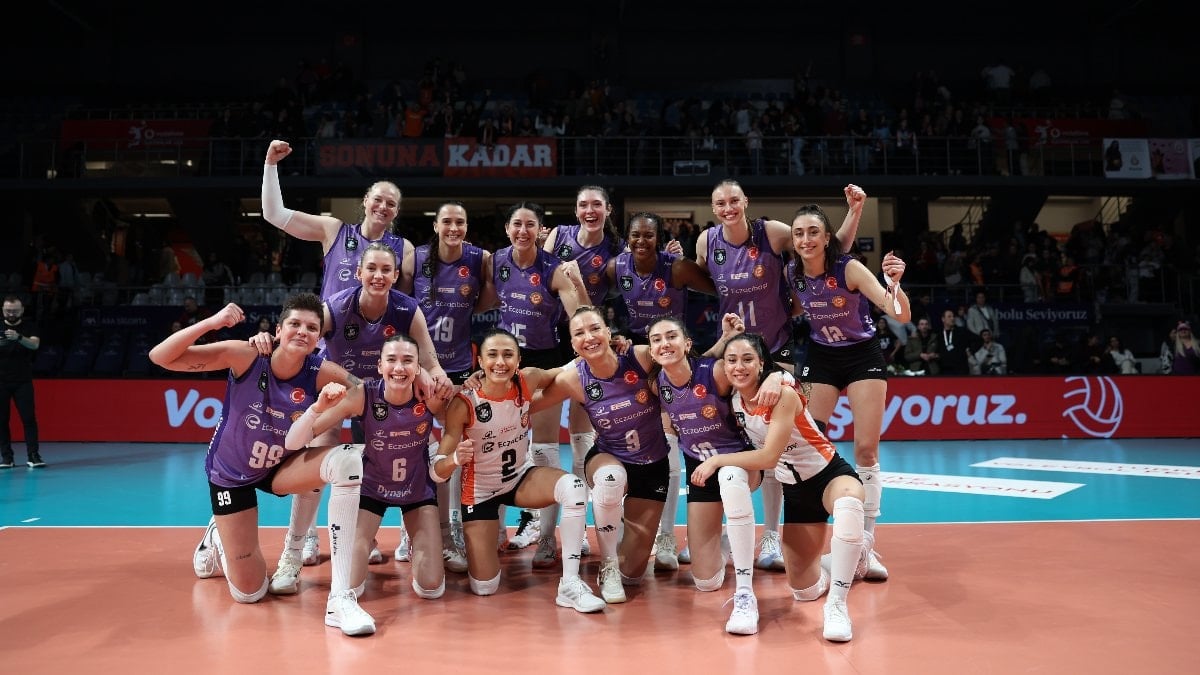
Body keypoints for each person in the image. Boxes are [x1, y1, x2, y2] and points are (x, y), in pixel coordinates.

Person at [148, 295, 375, 636]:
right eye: (295, 324)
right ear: (279, 330)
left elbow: (369, 394)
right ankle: (218, 535)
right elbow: (160, 356)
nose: (303, 331)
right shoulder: (246, 355)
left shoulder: (321, 372)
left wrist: (411, 375)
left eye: (311, 327)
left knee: (346, 460)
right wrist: (213, 323)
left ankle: (335, 594)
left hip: (281, 467)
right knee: (250, 593)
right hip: (231, 475)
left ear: (318, 338)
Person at [261, 138, 416, 568]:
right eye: (378, 199)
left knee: (374, 457)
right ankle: (304, 539)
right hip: (330, 365)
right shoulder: (334, 231)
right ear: (365, 202)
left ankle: (363, 537)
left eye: (391, 203)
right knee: (320, 451)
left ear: (396, 212)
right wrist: (271, 165)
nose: (383, 207)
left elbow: (402, 310)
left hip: (377, 373)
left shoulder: (402, 251)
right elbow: (275, 214)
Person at [698, 180, 865, 573]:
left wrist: (855, 212)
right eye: (720, 203)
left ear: (746, 201)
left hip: (775, 349)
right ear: (713, 207)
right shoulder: (707, 243)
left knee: (777, 442)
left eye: (734, 200)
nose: (728, 208)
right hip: (736, 352)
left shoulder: (771, 232)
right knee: (734, 437)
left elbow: (824, 249)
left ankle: (772, 534)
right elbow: (710, 284)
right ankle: (733, 529)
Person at [270, 242, 454, 591]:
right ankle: (295, 550)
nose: (378, 276)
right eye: (372, 268)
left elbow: (430, 360)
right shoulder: (337, 307)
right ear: (358, 273)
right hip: (346, 392)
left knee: (418, 448)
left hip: (393, 390)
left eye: (386, 270)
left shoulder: (407, 308)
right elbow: (302, 336)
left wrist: (430, 375)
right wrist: (266, 344)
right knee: (317, 457)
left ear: (396, 276)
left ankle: (420, 532)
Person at [692, 332, 868, 641]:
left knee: (849, 505)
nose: (739, 367)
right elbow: (693, 371)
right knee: (804, 589)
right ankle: (855, 557)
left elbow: (768, 457)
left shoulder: (782, 394)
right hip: (796, 492)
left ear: (761, 363)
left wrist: (717, 460)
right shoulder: (733, 399)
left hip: (828, 474)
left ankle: (837, 606)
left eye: (747, 359)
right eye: (732, 360)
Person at [529, 306, 697, 605]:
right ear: (573, 344)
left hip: (652, 465)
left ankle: (619, 533)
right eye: (579, 333)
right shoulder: (573, 379)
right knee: (610, 478)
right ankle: (607, 564)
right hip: (609, 456)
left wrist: (776, 377)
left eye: (595, 329)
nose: (589, 336)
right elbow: (528, 404)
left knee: (633, 574)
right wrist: (479, 395)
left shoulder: (641, 356)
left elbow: (692, 364)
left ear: (609, 332)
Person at [435, 328, 605, 613]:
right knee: (485, 586)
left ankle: (570, 584)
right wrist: (454, 459)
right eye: (492, 355)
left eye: (508, 355)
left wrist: (601, 348)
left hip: (520, 478)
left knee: (574, 488)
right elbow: (437, 471)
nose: (500, 362)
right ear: (480, 362)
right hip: (480, 492)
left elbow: (564, 371)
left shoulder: (528, 379)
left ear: (518, 359)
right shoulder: (463, 404)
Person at [785, 203, 910, 583]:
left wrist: (895, 285)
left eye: (813, 232)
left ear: (827, 238)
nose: (805, 239)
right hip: (821, 355)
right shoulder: (792, 273)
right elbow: (791, 309)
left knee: (866, 449)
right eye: (799, 233)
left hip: (862, 355)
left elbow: (899, 313)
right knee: (810, 444)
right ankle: (816, 531)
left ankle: (866, 545)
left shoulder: (849, 268)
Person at [284, 335, 450, 609]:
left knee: (431, 587)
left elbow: (460, 418)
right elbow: (299, 438)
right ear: (380, 366)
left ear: (417, 367)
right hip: (372, 489)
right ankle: (366, 539)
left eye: (408, 361)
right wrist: (316, 408)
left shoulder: (428, 395)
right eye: (392, 360)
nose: (399, 368)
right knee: (350, 585)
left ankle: (415, 539)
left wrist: (464, 384)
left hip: (417, 490)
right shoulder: (363, 394)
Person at [647, 314, 786, 635]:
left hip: (740, 462)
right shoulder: (658, 384)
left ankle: (745, 591)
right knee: (706, 581)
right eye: (656, 340)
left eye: (671, 336)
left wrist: (779, 377)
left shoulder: (716, 372)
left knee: (729, 477)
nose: (665, 344)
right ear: (651, 350)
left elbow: (756, 370)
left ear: (687, 344)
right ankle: (726, 542)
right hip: (701, 470)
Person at [606, 211, 716, 570]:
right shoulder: (616, 267)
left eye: (648, 235)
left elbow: (720, 287)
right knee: (633, 443)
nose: (642, 241)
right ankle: (633, 530)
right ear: (627, 239)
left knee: (670, 441)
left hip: (671, 354)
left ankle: (667, 535)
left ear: (659, 238)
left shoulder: (677, 268)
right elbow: (591, 294)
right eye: (635, 235)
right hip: (635, 357)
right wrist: (610, 333)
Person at [397, 201, 497, 563]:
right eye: (447, 222)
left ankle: (451, 526)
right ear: (436, 225)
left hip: (457, 369)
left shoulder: (479, 259)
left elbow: (488, 299)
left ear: (466, 227)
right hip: (421, 369)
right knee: (414, 449)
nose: (454, 228)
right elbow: (401, 306)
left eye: (460, 222)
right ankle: (410, 531)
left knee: (455, 451)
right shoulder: (416, 259)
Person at [487, 202, 584, 567]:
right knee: (494, 445)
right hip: (505, 362)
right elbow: (475, 299)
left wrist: (588, 347)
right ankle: (495, 529)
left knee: (543, 448)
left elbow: (578, 316)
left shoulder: (553, 269)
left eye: (530, 225)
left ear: (541, 230)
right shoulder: (495, 262)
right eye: (517, 224)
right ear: (507, 229)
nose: (523, 231)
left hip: (544, 360)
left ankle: (546, 537)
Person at [1, 296, 43, 469]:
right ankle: (7, 458)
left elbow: (34, 345)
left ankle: (33, 456)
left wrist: (18, 337)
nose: (11, 313)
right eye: (8, 310)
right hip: (1, 382)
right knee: (2, 420)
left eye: (15, 311)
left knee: (29, 418)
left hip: (23, 381)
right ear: (3, 310)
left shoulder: (29, 326)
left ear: (22, 310)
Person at [935, 308, 974, 375]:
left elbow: (978, 340)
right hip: (944, 369)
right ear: (943, 319)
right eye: (949, 316)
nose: (952, 318)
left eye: (953, 316)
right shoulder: (938, 334)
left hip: (961, 369)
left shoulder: (961, 331)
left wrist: (970, 350)